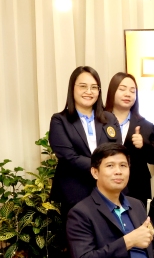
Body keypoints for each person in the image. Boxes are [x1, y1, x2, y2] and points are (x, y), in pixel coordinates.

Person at [49, 66, 121, 215]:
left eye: (94, 87)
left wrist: (106, 169)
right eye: (83, 86)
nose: (89, 91)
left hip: (107, 192)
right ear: (72, 88)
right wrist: (103, 168)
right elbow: (69, 157)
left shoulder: (109, 119)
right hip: (74, 194)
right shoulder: (59, 120)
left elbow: (117, 151)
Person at [104, 72, 154, 205]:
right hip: (104, 185)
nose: (128, 94)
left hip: (136, 188)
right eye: (122, 89)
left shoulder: (145, 125)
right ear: (112, 91)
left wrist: (144, 145)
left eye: (133, 91)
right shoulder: (99, 121)